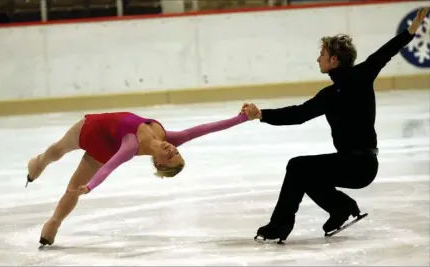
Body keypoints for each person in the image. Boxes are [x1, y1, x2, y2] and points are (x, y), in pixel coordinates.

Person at [241, 7, 430, 244]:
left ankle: (280, 226)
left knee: (298, 166)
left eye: (321, 54)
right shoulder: (335, 91)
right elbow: (299, 114)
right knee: (305, 172)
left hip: (358, 164)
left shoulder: (354, 80)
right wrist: (261, 114)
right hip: (360, 164)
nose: (317, 58)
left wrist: (411, 31)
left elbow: (387, 51)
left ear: (333, 59)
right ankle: (340, 208)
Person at [26, 111, 251, 247]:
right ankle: (38, 163)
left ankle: (53, 224)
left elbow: (111, 166)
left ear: (160, 163)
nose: (172, 149)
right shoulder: (168, 137)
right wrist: (242, 118)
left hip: (102, 145)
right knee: (56, 151)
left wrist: (90, 186)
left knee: (74, 187)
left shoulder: (132, 145)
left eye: (170, 156)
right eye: (177, 152)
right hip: (93, 128)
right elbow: (205, 129)